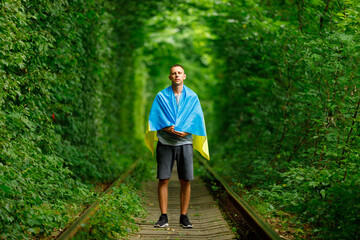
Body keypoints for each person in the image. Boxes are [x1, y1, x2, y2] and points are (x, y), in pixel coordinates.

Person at [145, 64, 210, 229]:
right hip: (165, 142)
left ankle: (184, 216)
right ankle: (163, 216)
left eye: (179, 73)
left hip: (185, 143)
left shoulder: (192, 97)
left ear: (184, 76)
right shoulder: (161, 96)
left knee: (185, 180)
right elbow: (155, 117)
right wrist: (165, 127)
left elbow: (197, 119)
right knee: (163, 179)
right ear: (170, 77)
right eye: (173, 73)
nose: (176, 75)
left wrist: (187, 130)